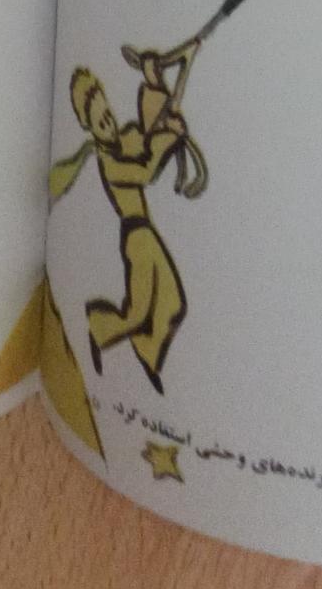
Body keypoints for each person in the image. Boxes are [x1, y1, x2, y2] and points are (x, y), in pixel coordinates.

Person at [52, 40, 207, 396]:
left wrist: (153, 81)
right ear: (89, 126)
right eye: (100, 120)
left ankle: (147, 353)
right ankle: (98, 328)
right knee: (138, 313)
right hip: (136, 238)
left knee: (172, 303)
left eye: (107, 112)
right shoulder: (110, 162)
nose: (108, 121)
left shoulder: (126, 139)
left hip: (146, 234)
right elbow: (146, 170)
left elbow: (149, 132)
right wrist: (168, 138)